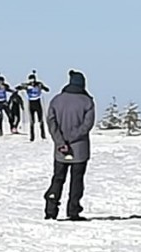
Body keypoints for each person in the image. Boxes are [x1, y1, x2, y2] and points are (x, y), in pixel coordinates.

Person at [44, 70, 96, 221]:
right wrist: (71, 139)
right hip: (79, 149)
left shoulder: (56, 100)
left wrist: (61, 142)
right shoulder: (87, 102)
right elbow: (87, 125)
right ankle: (73, 210)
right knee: (77, 180)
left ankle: (51, 209)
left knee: (58, 178)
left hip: (61, 150)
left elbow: (51, 122)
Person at [18, 71, 50, 142]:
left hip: (38, 102)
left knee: (40, 120)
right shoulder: (27, 86)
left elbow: (47, 89)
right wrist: (21, 87)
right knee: (32, 121)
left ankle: (43, 135)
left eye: (33, 79)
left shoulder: (38, 84)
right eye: (30, 80)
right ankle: (32, 137)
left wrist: (42, 87)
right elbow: (19, 87)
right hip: (31, 103)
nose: (32, 81)